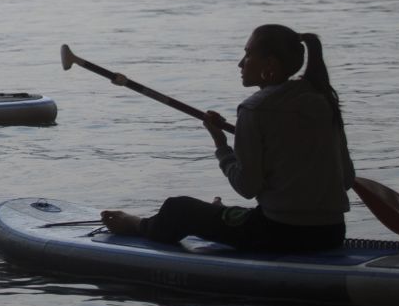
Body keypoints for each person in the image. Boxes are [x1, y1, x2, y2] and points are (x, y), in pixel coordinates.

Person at [101, 25, 355, 253]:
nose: (240, 63)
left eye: (248, 54)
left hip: (279, 235)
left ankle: (135, 224)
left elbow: (247, 187)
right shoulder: (323, 100)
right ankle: (215, 213)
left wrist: (221, 145)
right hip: (331, 233)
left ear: (270, 67)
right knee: (232, 214)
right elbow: (346, 179)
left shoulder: (254, 110)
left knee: (177, 209)